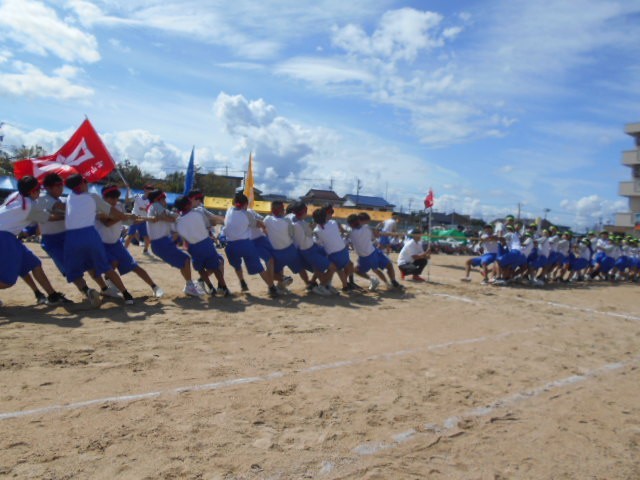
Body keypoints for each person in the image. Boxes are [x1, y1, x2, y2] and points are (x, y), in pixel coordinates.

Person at [63, 174, 136, 305]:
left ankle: (94, 290)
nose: (87, 184)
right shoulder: (92, 197)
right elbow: (113, 212)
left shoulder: (70, 197)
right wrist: (126, 216)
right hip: (89, 234)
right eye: (85, 182)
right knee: (105, 267)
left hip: (71, 237)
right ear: (81, 184)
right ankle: (126, 294)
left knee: (84, 267)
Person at [34, 173, 104, 306]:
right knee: (69, 267)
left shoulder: (64, 198)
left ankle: (104, 288)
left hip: (68, 235)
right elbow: (59, 209)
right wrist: (85, 207)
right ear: (48, 187)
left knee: (87, 262)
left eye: (61, 185)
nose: (61, 188)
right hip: (52, 240)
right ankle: (87, 290)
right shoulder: (43, 198)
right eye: (57, 186)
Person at [0, 176, 71, 306]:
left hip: (8, 236)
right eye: (38, 189)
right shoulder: (30, 206)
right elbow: (50, 217)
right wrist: (70, 215)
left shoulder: (16, 195)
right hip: (4, 236)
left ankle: (52, 295)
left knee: (34, 263)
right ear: (32, 192)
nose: (40, 192)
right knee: (7, 281)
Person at [96, 184, 164, 298]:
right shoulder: (99, 207)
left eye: (116, 197)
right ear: (104, 197)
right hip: (103, 245)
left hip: (116, 243)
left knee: (135, 267)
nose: (115, 201)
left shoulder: (119, 206)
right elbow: (107, 223)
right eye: (112, 198)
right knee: (111, 266)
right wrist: (123, 216)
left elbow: (130, 221)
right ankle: (108, 286)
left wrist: (147, 219)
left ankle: (154, 287)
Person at [146, 189, 205, 297]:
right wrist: (174, 218)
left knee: (183, 261)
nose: (165, 201)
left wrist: (177, 217)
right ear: (158, 199)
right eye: (163, 199)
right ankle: (189, 286)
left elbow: (173, 216)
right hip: (161, 243)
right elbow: (168, 217)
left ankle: (189, 285)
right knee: (185, 259)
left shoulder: (156, 207)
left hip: (162, 242)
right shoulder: (155, 205)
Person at [223, 192, 278, 298]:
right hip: (245, 244)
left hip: (230, 246)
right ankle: (272, 288)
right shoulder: (247, 214)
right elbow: (258, 224)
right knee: (259, 268)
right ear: (245, 204)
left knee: (237, 265)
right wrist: (264, 226)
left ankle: (242, 282)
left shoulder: (229, 210)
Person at [174, 196, 230, 297]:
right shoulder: (197, 213)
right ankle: (224, 288)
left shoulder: (178, 221)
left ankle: (211, 288)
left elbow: (182, 237)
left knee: (200, 269)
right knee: (215, 266)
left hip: (192, 247)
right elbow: (210, 224)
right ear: (187, 205)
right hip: (206, 243)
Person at [347, 214, 402, 290]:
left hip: (368, 254)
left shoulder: (352, 233)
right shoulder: (366, 228)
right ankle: (389, 282)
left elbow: (375, 234)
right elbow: (376, 235)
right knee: (380, 268)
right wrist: (391, 234)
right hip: (371, 253)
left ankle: (386, 281)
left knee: (380, 267)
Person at [263, 201, 310, 291]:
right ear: (282, 210)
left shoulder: (267, 219)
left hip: (277, 253)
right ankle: (308, 283)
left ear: (272, 210)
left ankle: (283, 279)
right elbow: (292, 234)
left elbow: (264, 230)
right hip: (290, 251)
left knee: (271, 272)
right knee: (300, 268)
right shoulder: (287, 221)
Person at [313, 207, 354, 292]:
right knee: (341, 268)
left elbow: (319, 242)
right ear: (325, 216)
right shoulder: (333, 222)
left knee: (334, 269)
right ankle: (344, 286)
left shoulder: (317, 230)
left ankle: (323, 285)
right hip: (344, 251)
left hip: (333, 254)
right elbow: (340, 231)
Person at [124, 184, 153, 254]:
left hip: (144, 220)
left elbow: (151, 211)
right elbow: (127, 200)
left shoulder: (151, 200)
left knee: (146, 237)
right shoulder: (137, 196)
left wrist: (145, 209)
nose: (149, 190)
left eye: (151, 189)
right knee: (130, 235)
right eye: (148, 189)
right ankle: (124, 250)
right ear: (144, 189)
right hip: (135, 219)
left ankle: (145, 250)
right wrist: (127, 190)